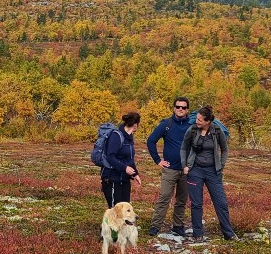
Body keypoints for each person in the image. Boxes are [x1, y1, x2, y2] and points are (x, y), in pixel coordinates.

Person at [180, 105, 238, 241]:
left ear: (208, 121)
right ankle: (198, 234)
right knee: (196, 204)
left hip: (213, 172)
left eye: (200, 120)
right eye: (197, 119)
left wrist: (221, 165)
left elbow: (224, 149)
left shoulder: (217, 131)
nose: (197, 121)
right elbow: (184, 147)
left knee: (221, 202)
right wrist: (185, 165)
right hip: (195, 171)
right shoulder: (192, 130)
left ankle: (228, 234)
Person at [146, 97, 193, 236]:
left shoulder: (192, 125)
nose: (180, 109)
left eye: (183, 107)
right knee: (165, 197)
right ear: (174, 108)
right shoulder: (166, 124)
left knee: (182, 200)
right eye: (178, 107)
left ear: (187, 110)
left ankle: (178, 226)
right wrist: (157, 160)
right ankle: (155, 226)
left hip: (186, 170)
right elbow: (151, 140)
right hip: (170, 169)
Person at [101, 111, 142, 208]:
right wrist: (125, 168)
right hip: (112, 178)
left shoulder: (129, 137)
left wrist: (135, 173)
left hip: (124, 178)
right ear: (135, 125)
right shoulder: (116, 136)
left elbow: (129, 158)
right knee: (115, 210)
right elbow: (110, 157)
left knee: (125, 209)